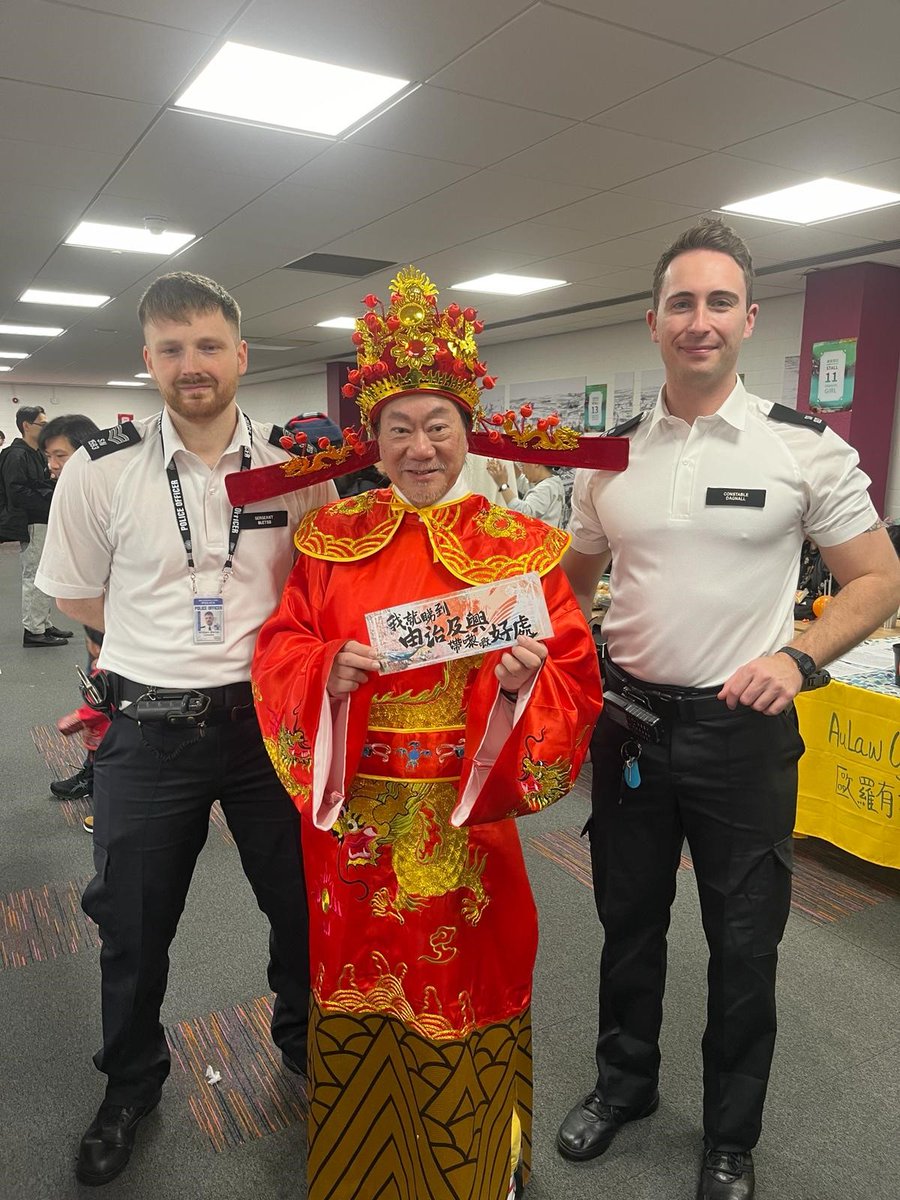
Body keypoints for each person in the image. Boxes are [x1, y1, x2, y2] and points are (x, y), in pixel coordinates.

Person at [243, 266, 606, 1200]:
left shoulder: (519, 550)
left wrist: (525, 685)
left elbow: (576, 676)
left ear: (466, 430)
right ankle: (366, 1168)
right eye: (398, 427)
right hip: (357, 822)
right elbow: (279, 648)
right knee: (358, 984)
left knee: (465, 986)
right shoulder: (330, 541)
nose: (419, 446)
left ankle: (475, 1169)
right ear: (373, 438)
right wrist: (325, 669)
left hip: (464, 820)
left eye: (437, 424)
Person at [555, 217, 900, 1200]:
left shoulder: (804, 447)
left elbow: (879, 578)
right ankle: (624, 1085)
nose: (698, 320)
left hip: (742, 736)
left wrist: (800, 656)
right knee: (628, 921)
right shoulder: (606, 455)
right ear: (653, 320)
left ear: (749, 319)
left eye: (719, 302)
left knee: (745, 944)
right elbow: (570, 582)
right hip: (628, 728)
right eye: (681, 303)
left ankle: (730, 1134)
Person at [35, 271, 334, 1186]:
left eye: (208, 346)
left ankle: (302, 1043)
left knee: (301, 904)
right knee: (131, 921)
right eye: (172, 349)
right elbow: (75, 593)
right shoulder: (101, 469)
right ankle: (131, 1084)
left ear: (241, 354)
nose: (191, 364)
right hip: (148, 729)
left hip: (270, 727)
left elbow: (324, 588)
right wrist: (153, 644)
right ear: (148, 360)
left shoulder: (296, 466)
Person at [33, 415, 105, 809]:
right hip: (100, 626)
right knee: (99, 703)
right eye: (49, 458)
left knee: (114, 710)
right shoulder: (75, 495)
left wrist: (107, 636)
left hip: (123, 631)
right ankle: (95, 776)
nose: (53, 466)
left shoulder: (108, 494)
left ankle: (105, 786)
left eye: (60, 456)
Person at [0, 404, 73, 646]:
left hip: (43, 520)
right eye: (42, 424)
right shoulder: (15, 455)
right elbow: (17, 492)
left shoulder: (37, 454)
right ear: (26, 426)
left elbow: (38, 484)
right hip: (31, 522)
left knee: (44, 574)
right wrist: (48, 496)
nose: (46, 427)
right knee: (34, 575)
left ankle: (43, 623)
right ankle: (33, 631)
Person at [486, 458, 566, 526]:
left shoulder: (546, 488)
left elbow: (523, 512)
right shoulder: (553, 482)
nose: (523, 470)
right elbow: (524, 483)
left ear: (535, 464)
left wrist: (503, 485)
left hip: (540, 537)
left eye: (523, 465)